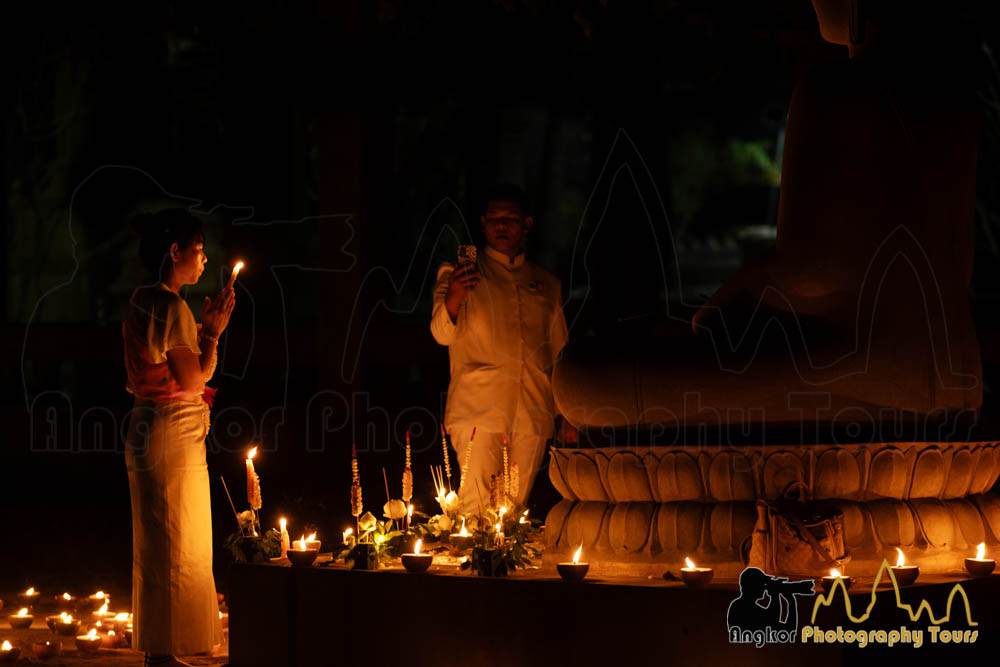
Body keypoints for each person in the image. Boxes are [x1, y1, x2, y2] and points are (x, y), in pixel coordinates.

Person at [122, 209, 234, 667]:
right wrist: (212, 333)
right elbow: (194, 380)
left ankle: (160, 649)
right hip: (171, 435)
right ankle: (165, 653)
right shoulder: (173, 307)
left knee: (158, 542)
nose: (205, 260)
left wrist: (201, 331)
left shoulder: (139, 298)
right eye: (199, 250)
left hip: (147, 428)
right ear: (175, 253)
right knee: (177, 541)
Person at [431, 184, 571, 511]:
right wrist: (455, 296)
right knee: (475, 508)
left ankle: (505, 563)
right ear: (483, 224)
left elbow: (559, 351)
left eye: (510, 218)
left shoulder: (546, 283)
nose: (502, 225)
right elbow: (441, 333)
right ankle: (471, 562)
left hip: (533, 410)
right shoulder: (458, 273)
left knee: (513, 511)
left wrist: (568, 414)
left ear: (527, 223)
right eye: (494, 218)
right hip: (479, 409)